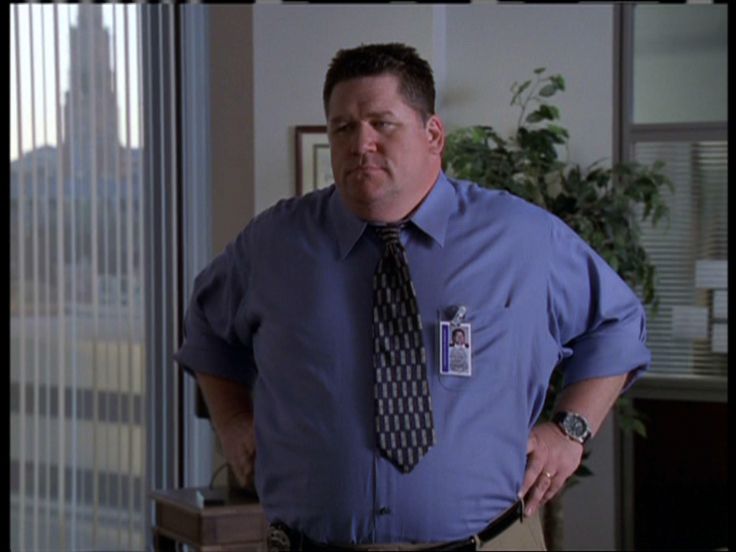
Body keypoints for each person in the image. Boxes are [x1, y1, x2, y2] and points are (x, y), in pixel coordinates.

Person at [174, 43, 650, 551]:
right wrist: (232, 422)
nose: (361, 144)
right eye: (343, 128)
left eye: (382, 123)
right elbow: (206, 327)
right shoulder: (274, 244)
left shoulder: (521, 238)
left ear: (433, 135)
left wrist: (571, 432)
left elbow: (617, 323)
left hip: (490, 541)